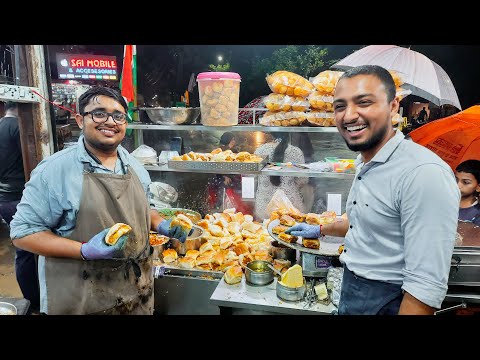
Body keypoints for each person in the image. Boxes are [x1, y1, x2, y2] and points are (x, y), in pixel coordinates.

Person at [286, 65, 460, 315]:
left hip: (389, 301)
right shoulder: (367, 163)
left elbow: (423, 291)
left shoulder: (423, 173)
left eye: (364, 102)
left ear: (393, 106)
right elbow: (365, 221)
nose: (348, 116)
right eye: (340, 106)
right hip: (354, 291)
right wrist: (320, 230)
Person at [10, 86, 189, 315]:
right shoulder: (54, 171)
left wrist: (161, 224)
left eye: (118, 115)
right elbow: (23, 233)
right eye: (99, 113)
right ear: (79, 119)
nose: (110, 121)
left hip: (136, 295)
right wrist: (84, 250)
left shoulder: (134, 166)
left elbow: (146, 209)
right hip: (82, 298)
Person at [0, 102, 41, 313]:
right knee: (26, 249)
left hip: (4, 198)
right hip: (18, 197)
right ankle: (33, 301)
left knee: (24, 250)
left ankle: (32, 299)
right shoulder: (20, 129)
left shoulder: (1, 126)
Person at [254, 132, 308, 220]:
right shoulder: (296, 152)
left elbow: (253, 178)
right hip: (290, 205)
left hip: (264, 206)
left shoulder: (260, 150)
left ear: (271, 134)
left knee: (264, 231)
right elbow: (303, 180)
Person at [455, 160, 480, 225]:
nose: (457, 185)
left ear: (478, 187)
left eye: (466, 182)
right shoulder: (443, 199)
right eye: (456, 179)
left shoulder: (477, 215)